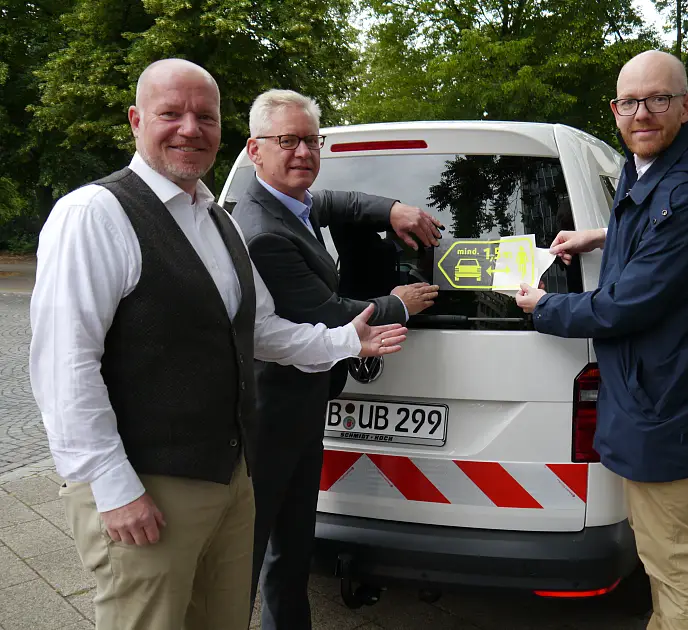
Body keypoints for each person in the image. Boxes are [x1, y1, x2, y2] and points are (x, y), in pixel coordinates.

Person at [28, 59, 407, 630]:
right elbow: (64, 365)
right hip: (147, 486)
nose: (191, 129)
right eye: (171, 114)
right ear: (136, 120)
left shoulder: (217, 220)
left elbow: (262, 331)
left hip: (231, 480)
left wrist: (346, 340)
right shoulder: (94, 214)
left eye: (205, 117)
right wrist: (112, 486)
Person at [515, 50, 688, 630]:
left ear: (686, 105)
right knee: (661, 552)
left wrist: (545, 307)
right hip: (659, 395)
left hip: (667, 405)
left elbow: (628, 303)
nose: (641, 113)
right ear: (615, 110)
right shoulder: (656, 165)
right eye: (629, 103)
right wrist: (600, 235)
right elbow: (646, 219)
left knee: (672, 563)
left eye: (657, 99)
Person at [231, 89, 440, 630]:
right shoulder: (262, 231)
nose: (303, 152)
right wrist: (400, 302)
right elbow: (326, 315)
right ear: (255, 150)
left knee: (293, 545)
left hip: (300, 407)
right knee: (250, 555)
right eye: (287, 141)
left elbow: (335, 202)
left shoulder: (288, 202)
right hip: (272, 418)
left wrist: (392, 209)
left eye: (311, 140)